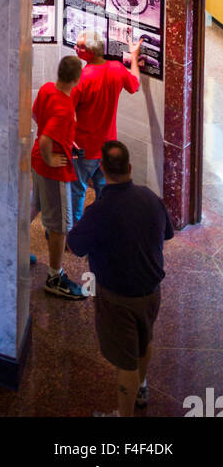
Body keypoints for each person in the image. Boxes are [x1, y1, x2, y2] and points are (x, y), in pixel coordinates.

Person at [68, 140, 174, 417]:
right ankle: (142, 385)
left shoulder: (100, 211)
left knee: (125, 362)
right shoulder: (151, 199)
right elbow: (167, 234)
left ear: (102, 168)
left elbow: (75, 245)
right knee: (145, 339)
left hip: (118, 296)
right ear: (129, 167)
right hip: (151, 290)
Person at [31, 54, 86, 300]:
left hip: (36, 162)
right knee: (60, 225)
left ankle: (11, 248)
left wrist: (60, 139)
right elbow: (45, 139)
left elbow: (36, 115)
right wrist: (51, 157)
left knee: (34, 207)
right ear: (76, 79)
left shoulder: (45, 89)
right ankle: (55, 276)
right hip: (53, 169)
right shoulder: (64, 108)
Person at [71, 33, 141, 223]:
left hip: (83, 146)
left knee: (77, 191)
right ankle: (104, 226)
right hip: (108, 146)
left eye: (81, 47)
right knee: (105, 190)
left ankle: (74, 232)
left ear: (92, 52)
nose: (76, 49)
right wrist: (134, 57)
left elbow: (67, 111)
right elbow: (135, 85)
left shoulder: (81, 78)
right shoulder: (117, 69)